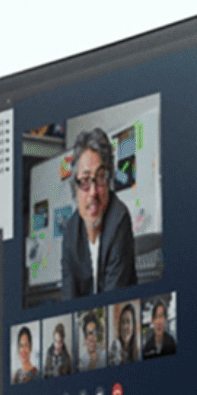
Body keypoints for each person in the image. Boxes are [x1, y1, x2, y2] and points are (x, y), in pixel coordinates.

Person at [58, 128, 136, 299]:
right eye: (85, 181)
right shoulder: (70, 231)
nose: (93, 192)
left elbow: (113, 300)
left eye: (100, 177)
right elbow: (68, 299)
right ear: (75, 188)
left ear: (108, 181)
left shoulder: (119, 219)